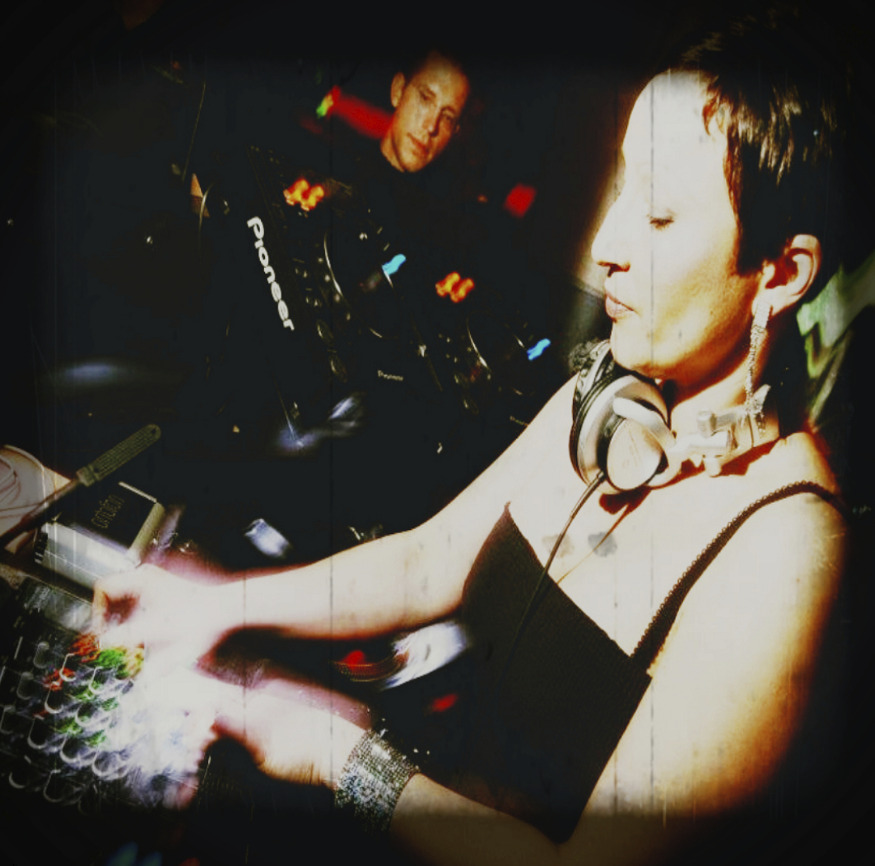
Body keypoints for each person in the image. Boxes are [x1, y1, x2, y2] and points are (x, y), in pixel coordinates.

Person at [92, 9, 858, 864]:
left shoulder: (788, 555)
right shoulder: (610, 395)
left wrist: (336, 754)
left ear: (781, 272)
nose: (606, 244)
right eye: (621, 188)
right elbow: (429, 559)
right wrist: (216, 603)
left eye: (658, 217)